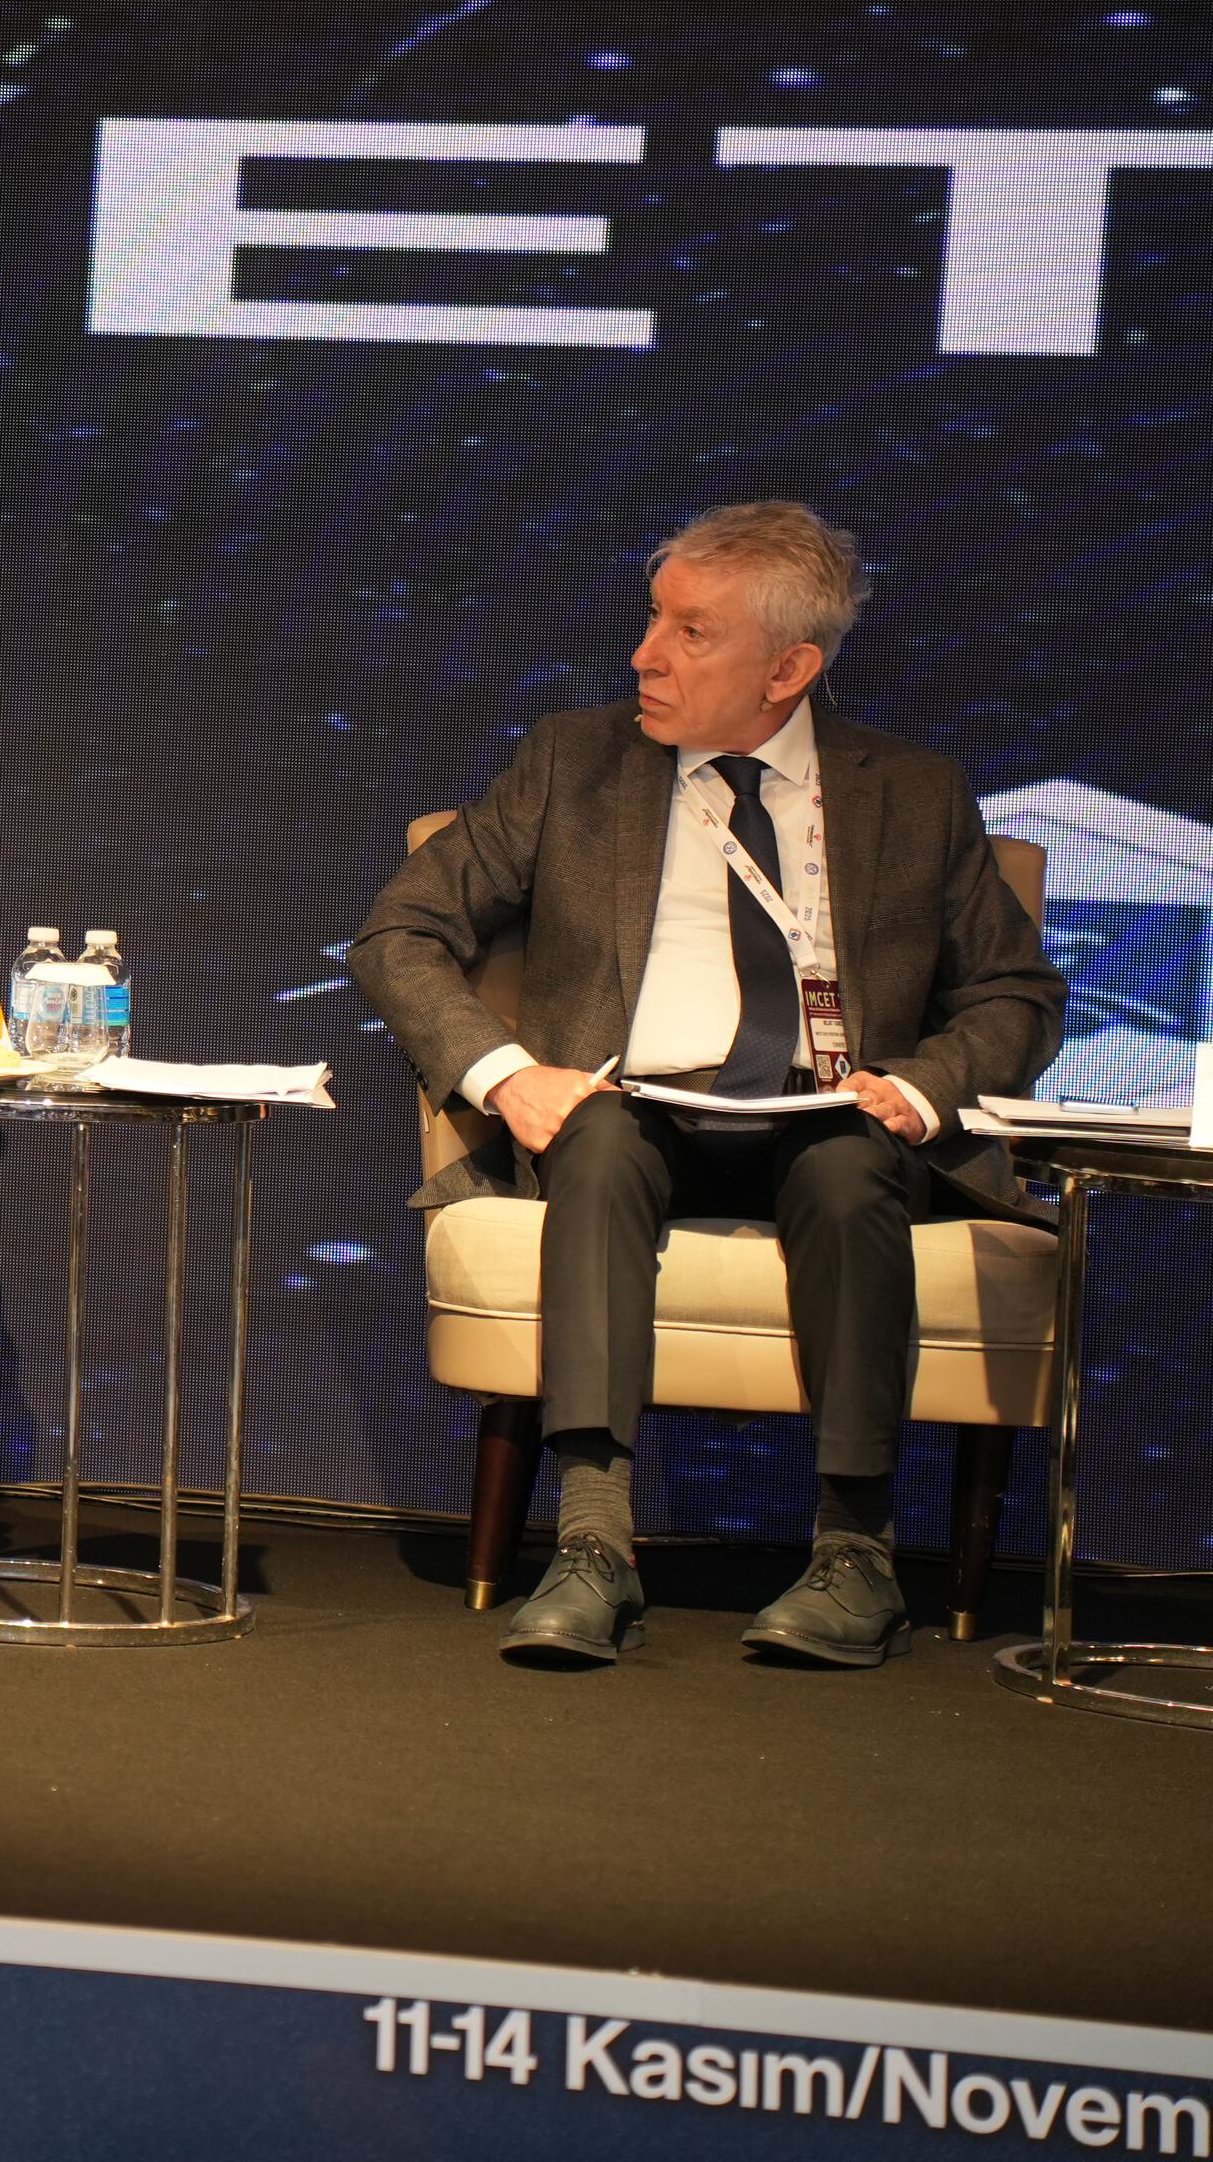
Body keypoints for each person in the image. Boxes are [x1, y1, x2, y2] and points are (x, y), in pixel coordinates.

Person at [348, 501, 1062, 1670]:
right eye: (652, 619)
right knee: (595, 1142)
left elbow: (1017, 994)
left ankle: (855, 1555)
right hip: (631, 1102)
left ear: (789, 670)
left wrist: (924, 1086)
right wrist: (508, 1076)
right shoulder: (574, 761)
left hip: (833, 1112)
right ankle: (592, 1543)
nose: (645, 655)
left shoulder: (913, 790)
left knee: (848, 1172)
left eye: (690, 632)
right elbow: (400, 932)